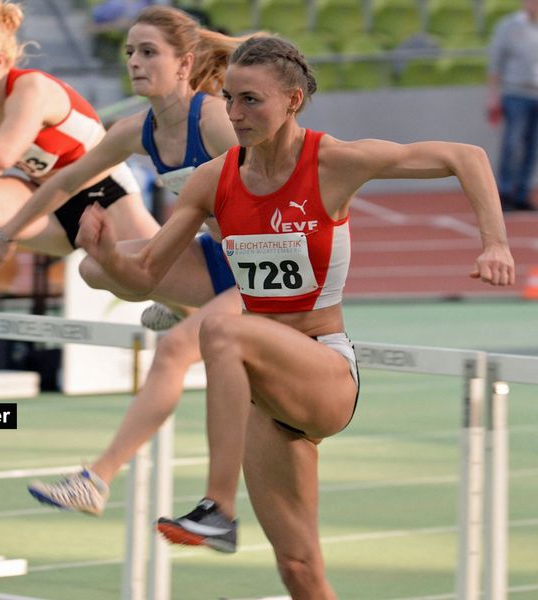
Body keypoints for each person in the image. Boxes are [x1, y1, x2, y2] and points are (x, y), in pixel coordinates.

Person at [74, 35, 515, 598]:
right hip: (264, 396)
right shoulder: (214, 178)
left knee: (221, 328)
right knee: (300, 569)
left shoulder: (333, 162)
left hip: (325, 372)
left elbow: (466, 157)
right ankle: (227, 519)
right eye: (229, 98)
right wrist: (109, 256)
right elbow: (148, 274)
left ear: (293, 101)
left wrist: (494, 244)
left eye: (251, 100)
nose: (234, 113)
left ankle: (217, 506)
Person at [21, 5, 248, 515]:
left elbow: (270, 194)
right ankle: (179, 299)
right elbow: (64, 181)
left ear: (185, 64)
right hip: (217, 259)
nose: (134, 62)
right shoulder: (139, 128)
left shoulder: (212, 118)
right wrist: (9, 234)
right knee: (93, 265)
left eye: (148, 52)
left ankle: (97, 479)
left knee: (172, 351)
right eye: (129, 53)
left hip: (265, 269)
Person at [0, 0, 157, 266]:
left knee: (163, 281)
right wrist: (6, 231)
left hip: (105, 195)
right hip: (46, 206)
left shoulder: (32, 88)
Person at [487, 0, 538, 211]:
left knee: (533, 147)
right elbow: (495, 62)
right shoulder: (508, 26)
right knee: (513, 143)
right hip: (516, 92)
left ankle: (523, 193)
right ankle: (505, 192)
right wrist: (493, 95)